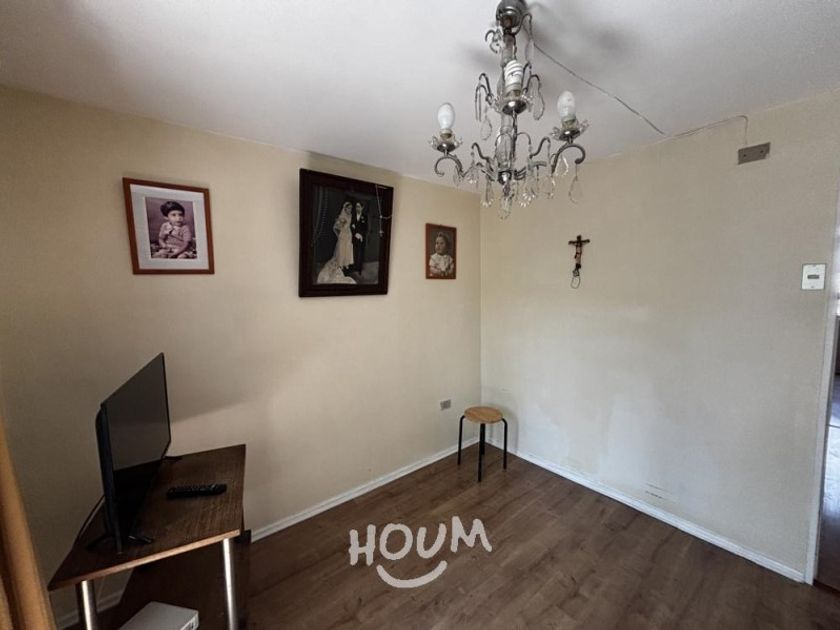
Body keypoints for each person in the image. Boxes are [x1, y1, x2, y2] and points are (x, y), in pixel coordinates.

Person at [333, 199, 354, 270]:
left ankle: (346, 263)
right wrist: (338, 235)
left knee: (348, 249)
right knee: (341, 249)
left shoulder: (351, 215)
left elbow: (350, 224)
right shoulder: (342, 216)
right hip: (343, 234)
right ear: (345, 208)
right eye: (349, 208)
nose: (350, 210)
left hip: (349, 234)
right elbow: (335, 227)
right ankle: (341, 264)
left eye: (351, 208)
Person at [350, 199, 369, 273]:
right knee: (354, 252)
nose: (357, 208)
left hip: (361, 238)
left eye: (359, 206)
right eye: (356, 207)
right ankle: (353, 268)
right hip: (354, 237)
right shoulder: (353, 216)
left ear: (362, 207)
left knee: (360, 253)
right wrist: (355, 233)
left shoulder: (365, 217)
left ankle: (359, 269)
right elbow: (350, 226)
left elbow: (365, 228)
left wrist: (361, 235)